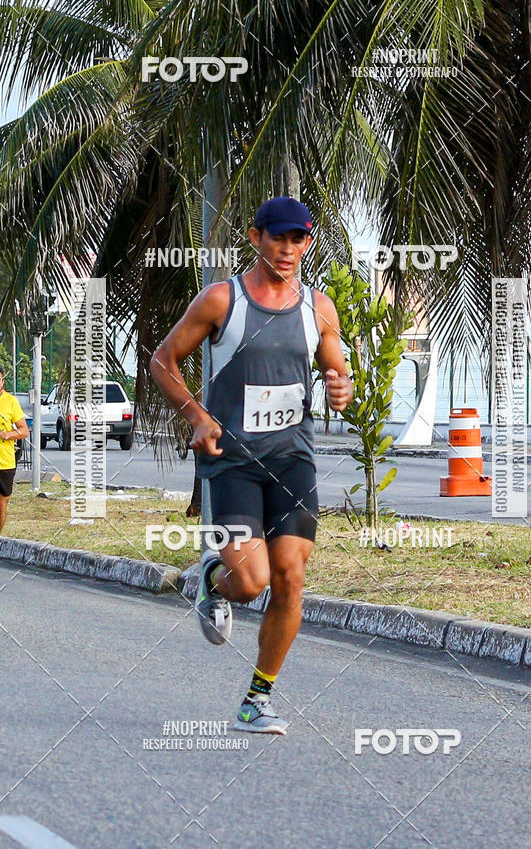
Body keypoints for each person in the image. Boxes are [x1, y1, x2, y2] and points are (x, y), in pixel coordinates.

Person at [151, 196, 353, 734]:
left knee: (290, 576)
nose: (289, 250)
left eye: (299, 239)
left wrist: (341, 387)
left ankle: (257, 700)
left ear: (308, 242)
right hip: (232, 463)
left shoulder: (319, 308)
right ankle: (210, 581)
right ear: (255, 236)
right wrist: (196, 415)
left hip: (292, 461)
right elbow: (162, 361)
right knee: (249, 583)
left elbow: (339, 374)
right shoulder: (222, 300)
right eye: (278, 238)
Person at [0, 365, 29, 533]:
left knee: (2, 504)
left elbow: (24, 430)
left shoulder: (10, 401)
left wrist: (8, 434)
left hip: (5, 463)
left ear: (2, 381)